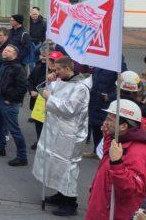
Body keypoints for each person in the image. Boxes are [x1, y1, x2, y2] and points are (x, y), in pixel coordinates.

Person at [32, 56, 91, 217]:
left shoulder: (80, 88)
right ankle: (60, 194)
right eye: (54, 70)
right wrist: (49, 82)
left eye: (58, 70)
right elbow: (44, 92)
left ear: (67, 68)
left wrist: (49, 97)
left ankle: (71, 203)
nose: (55, 72)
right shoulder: (61, 81)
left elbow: (69, 108)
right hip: (57, 130)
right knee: (56, 163)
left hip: (70, 134)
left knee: (68, 167)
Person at [84, 99, 146, 220]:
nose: (105, 123)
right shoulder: (117, 140)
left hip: (111, 214)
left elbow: (131, 190)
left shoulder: (138, 152)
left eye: (110, 120)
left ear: (123, 126)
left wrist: (117, 163)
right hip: (100, 209)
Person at [0, 44, 28, 166]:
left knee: (14, 130)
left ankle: (22, 156)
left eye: (8, 51)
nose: (5, 52)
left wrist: (10, 99)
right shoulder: (2, 64)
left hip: (8, 103)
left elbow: (22, 88)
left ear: (15, 54)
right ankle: (0, 148)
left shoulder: (18, 68)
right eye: (5, 50)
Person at [27, 50, 61, 149]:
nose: (51, 63)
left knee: (50, 125)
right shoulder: (40, 68)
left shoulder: (61, 77)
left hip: (52, 106)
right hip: (38, 103)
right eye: (50, 60)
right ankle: (39, 141)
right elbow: (30, 80)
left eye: (54, 61)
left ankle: (49, 144)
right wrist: (31, 90)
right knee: (38, 123)